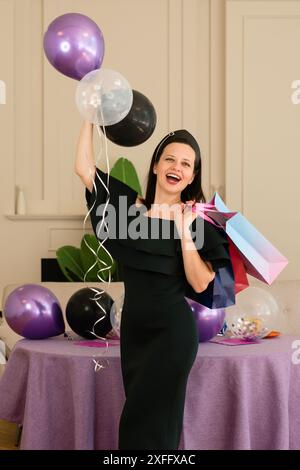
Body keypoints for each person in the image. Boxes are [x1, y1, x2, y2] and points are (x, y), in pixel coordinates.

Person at [75, 121, 232, 450]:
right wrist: (89, 114)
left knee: (155, 422)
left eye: (186, 164)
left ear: (191, 177)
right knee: (137, 415)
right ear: (156, 165)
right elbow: (84, 168)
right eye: (171, 159)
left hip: (172, 335)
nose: (177, 167)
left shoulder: (198, 220)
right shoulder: (129, 210)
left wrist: (185, 232)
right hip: (134, 332)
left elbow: (204, 281)